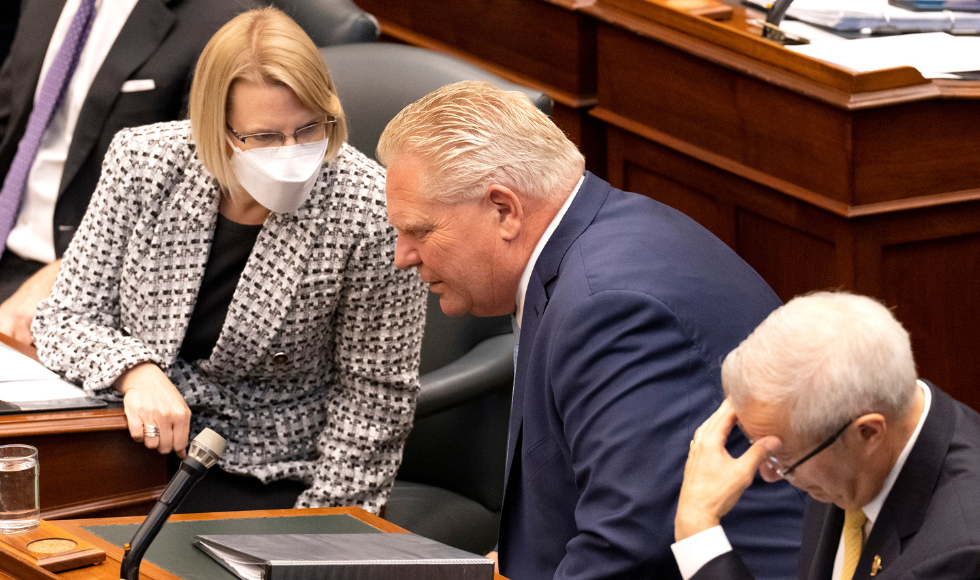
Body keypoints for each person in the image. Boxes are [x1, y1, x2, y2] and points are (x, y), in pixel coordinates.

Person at [377, 81, 805, 580]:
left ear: (504, 210)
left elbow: (629, 544)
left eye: (420, 231)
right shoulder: (585, 249)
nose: (402, 256)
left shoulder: (608, 307)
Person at [31, 7, 427, 514]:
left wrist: (326, 530)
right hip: (128, 437)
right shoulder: (145, 161)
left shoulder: (371, 209)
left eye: (309, 129)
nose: (291, 152)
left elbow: (375, 398)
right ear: (216, 128)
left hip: (269, 467)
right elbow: (65, 318)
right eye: (264, 137)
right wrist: (135, 370)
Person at [673, 291, 980, 580]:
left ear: (868, 432)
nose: (768, 474)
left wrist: (698, 533)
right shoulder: (855, 415)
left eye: (783, 459)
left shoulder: (959, 555)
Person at [0, 0, 243, 344]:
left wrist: (66, 280)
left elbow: (192, 210)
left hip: (83, 285)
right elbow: (9, 125)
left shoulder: (222, 19)